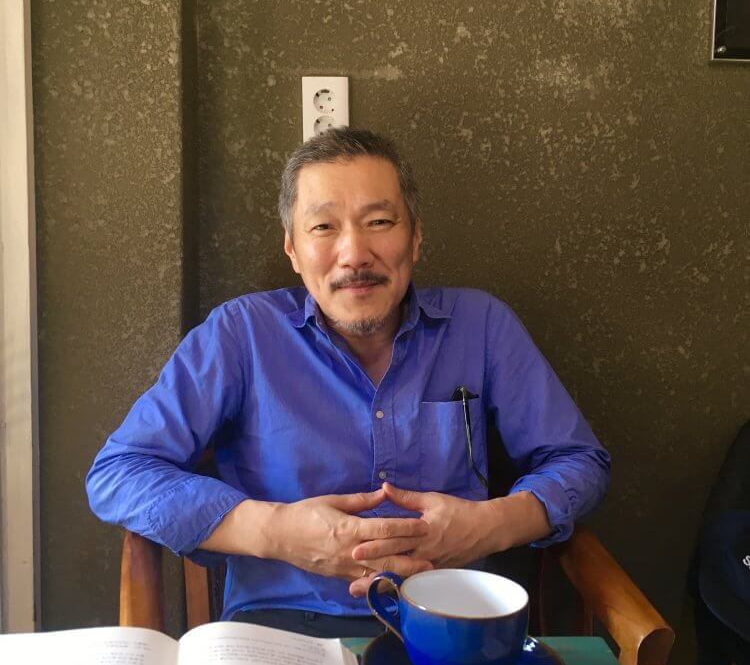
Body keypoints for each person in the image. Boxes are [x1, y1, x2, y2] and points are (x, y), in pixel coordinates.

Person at [86, 128, 610, 638]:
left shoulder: (482, 326)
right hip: (282, 629)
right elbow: (118, 473)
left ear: (416, 236)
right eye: (323, 227)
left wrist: (490, 525)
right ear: (292, 249)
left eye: (379, 221)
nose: (355, 253)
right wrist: (277, 532)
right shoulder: (240, 334)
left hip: (451, 624)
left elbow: (580, 461)